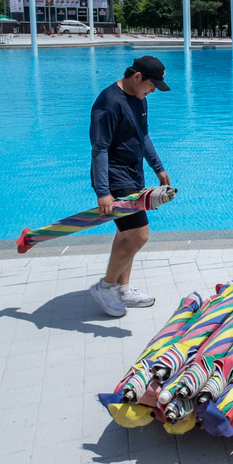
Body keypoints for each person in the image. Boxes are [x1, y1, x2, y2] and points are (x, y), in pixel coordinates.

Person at [87, 55, 173, 317]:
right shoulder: (108, 103)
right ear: (137, 77)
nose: (152, 91)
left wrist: (157, 167)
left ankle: (122, 288)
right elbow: (99, 149)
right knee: (139, 234)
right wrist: (103, 192)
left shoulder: (139, 99)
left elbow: (142, 134)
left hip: (134, 174)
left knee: (126, 235)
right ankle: (106, 287)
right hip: (116, 178)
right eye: (151, 85)